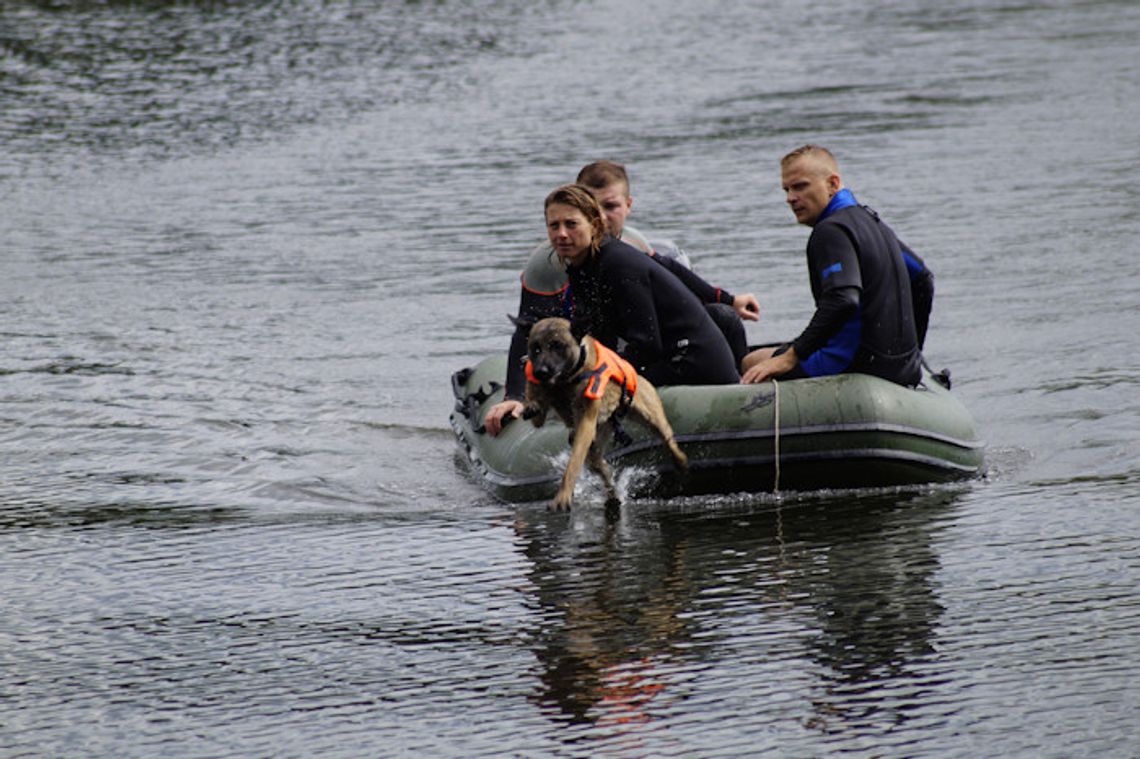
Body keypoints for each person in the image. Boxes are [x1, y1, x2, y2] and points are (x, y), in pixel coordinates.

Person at [484, 161, 758, 435]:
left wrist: (725, 299)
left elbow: (647, 343)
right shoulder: (579, 263)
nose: (562, 234)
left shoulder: (618, 262)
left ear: (593, 224)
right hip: (661, 354)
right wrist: (519, 394)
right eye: (553, 226)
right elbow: (531, 329)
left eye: (571, 224)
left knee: (588, 393)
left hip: (690, 360)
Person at [740, 145, 934, 387]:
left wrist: (791, 356)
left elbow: (842, 298)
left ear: (832, 184)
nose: (790, 198)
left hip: (852, 365)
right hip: (900, 369)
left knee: (751, 362)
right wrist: (910, 353)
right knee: (775, 350)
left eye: (800, 186)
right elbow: (923, 278)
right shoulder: (874, 224)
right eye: (786, 190)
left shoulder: (831, 231)